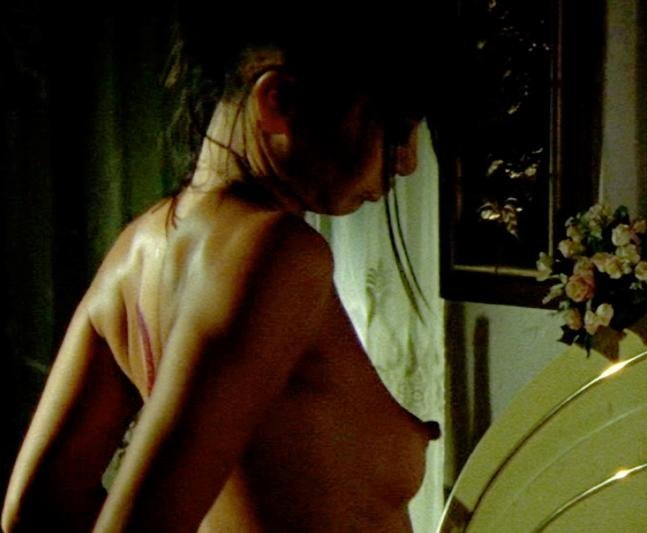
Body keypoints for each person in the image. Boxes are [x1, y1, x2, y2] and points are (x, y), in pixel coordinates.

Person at [2, 2, 447, 531]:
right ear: (278, 101)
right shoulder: (276, 253)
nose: (407, 162)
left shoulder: (135, 251)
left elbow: (33, 512)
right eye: (395, 128)